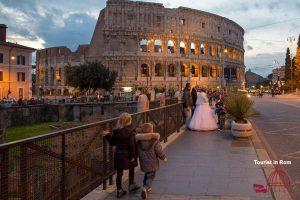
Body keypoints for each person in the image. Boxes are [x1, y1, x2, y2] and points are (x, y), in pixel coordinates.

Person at [101, 113, 140, 198]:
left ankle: (119, 190)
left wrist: (107, 135)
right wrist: (133, 156)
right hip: (128, 154)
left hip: (118, 154)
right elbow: (131, 145)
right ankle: (131, 184)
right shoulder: (131, 131)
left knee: (119, 172)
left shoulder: (116, 131)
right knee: (131, 168)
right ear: (129, 121)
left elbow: (113, 142)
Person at [135, 123, 167, 199]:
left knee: (147, 173)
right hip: (152, 161)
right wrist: (163, 157)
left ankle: (145, 186)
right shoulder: (154, 140)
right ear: (151, 130)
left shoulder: (139, 141)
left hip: (143, 161)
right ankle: (146, 187)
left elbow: (136, 151)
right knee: (151, 175)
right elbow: (159, 151)